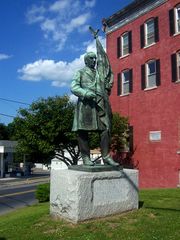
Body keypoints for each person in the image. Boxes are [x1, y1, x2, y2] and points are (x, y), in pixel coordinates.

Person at [71, 48, 119, 167]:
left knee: (105, 129)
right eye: (91, 58)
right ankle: (86, 157)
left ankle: (106, 156)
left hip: (99, 104)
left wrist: (107, 86)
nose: (94, 60)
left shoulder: (99, 73)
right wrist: (86, 93)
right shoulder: (80, 72)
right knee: (82, 131)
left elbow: (106, 85)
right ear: (86, 61)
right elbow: (74, 87)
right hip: (86, 105)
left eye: (95, 58)